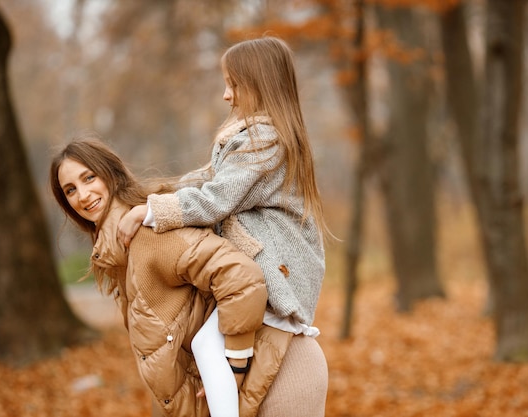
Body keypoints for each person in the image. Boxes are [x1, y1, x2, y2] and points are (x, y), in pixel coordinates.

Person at [117, 36, 330, 416]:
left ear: (258, 85)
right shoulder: (252, 139)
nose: (226, 96)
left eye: (233, 84)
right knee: (206, 344)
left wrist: (152, 212)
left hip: (276, 274)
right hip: (264, 272)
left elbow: (216, 198)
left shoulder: (266, 141)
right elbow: (205, 178)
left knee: (205, 344)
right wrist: (149, 195)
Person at [49, 136, 328, 417]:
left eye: (89, 178)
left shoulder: (147, 236)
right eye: (70, 190)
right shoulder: (120, 250)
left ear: (111, 175)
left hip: (282, 372)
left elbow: (241, 277)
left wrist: (236, 364)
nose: (82, 196)